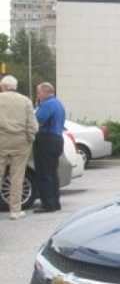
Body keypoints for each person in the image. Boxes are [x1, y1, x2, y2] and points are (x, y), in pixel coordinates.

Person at [0, 75, 39, 219]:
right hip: (21, 141)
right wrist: (30, 138)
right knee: (17, 176)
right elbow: (33, 125)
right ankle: (15, 210)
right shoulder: (25, 101)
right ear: (15, 87)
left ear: (3, 86)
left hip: (1, 140)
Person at [33, 82, 66, 213]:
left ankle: (48, 204)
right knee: (52, 173)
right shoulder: (58, 103)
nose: (38, 95)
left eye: (39, 92)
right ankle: (55, 202)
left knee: (44, 173)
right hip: (57, 139)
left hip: (47, 139)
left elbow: (38, 121)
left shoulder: (47, 104)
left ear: (46, 92)